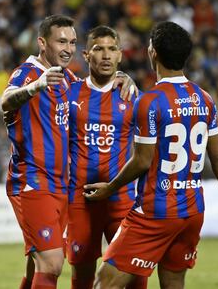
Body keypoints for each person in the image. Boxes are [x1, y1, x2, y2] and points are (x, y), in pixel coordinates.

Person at [84, 21, 218, 289]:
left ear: (153, 52)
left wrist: (110, 188)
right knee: (173, 283)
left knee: (105, 283)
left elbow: (143, 160)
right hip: (192, 211)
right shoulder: (204, 98)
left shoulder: (151, 101)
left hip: (155, 211)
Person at [1, 15, 138, 289]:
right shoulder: (28, 72)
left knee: (36, 264)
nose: (67, 48)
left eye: (73, 42)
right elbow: (6, 101)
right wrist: (35, 86)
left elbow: (96, 85)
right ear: (42, 42)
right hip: (32, 180)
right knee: (52, 264)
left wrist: (122, 76)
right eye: (61, 41)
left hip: (60, 185)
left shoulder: (67, 79)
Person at [67, 26, 147, 289]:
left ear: (120, 55)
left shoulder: (134, 97)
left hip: (122, 202)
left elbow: (148, 151)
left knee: (136, 276)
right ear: (86, 54)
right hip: (81, 200)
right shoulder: (70, 94)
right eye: (99, 49)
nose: (106, 55)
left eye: (112, 49)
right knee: (82, 277)